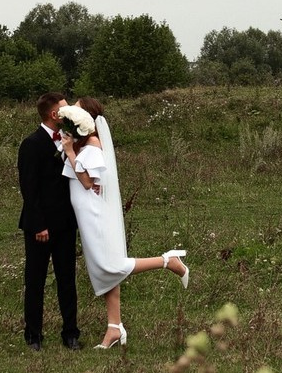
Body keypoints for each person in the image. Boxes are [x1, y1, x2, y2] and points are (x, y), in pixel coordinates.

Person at [58, 98, 189, 349]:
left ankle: (168, 261)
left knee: (110, 265)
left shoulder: (93, 145)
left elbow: (87, 182)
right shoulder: (82, 143)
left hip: (95, 216)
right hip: (86, 217)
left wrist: (71, 153)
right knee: (104, 270)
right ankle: (114, 327)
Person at [17, 91, 81, 350]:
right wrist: (38, 224)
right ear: (54, 114)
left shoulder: (70, 140)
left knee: (68, 279)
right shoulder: (31, 144)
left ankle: (71, 333)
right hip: (40, 225)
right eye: (65, 109)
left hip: (66, 222)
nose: (69, 113)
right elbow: (28, 189)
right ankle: (33, 334)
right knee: (35, 279)